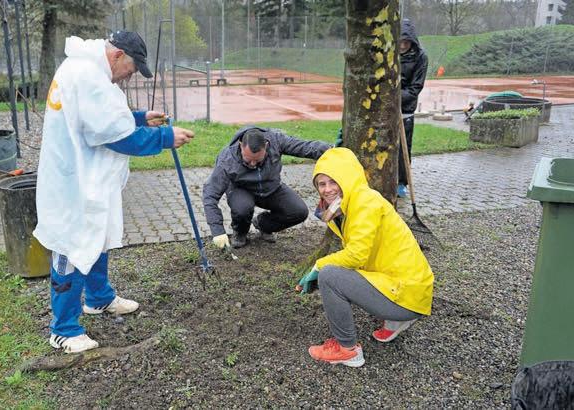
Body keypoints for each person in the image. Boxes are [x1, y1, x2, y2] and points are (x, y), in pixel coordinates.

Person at [33, 31, 195, 354]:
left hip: (85, 175)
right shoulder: (88, 76)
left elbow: (99, 120)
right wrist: (164, 138)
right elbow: (115, 136)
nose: (128, 77)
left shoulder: (85, 69)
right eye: (131, 69)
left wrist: (139, 118)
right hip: (73, 180)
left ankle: (98, 298)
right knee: (71, 246)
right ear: (118, 55)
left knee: (97, 235)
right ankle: (63, 329)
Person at [298, 148, 434, 367]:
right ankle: (397, 320)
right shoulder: (346, 204)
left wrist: (318, 266)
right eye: (321, 184)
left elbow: (356, 255)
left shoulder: (364, 202)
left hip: (407, 292)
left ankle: (347, 350)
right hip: (411, 288)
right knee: (335, 271)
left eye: (333, 182)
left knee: (329, 276)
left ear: (347, 178)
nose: (327, 189)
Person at [202, 126, 332, 249]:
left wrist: (332, 149)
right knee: (242, 209)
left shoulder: (276, 140)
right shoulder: (227, 159)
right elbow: (210, 194)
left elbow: (303, 147)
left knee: (299, 211)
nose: (253, 164)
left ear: (266, 146)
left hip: (271, 187)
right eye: (248, 160)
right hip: (241, 189)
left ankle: (263, 224)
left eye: (258, 160)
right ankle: (240, 232)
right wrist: (217, 231)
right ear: (241, 146)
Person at [398, 18, 428, 198]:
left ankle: (401, 182)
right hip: (386, 108)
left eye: (406, 42)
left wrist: (396, 97)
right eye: (400, 41)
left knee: (403, 148)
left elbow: (416, 87)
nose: (403, 45)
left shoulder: (420, 57)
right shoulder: (389, 53)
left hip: (405, 108)